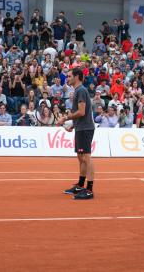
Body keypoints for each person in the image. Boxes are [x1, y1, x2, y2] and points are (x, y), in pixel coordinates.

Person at [57, 68, 95, 200]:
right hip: (80, 128)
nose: (67, 78)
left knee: (86, 157)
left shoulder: (81, 90)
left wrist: (65, 119)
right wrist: (72, 126)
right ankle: (80, 185)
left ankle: (89, 190)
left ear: (77, 77)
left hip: (86, 128)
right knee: (80, 157)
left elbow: (82, 112)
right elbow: (80, 115)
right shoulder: (77, 91)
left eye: (69, 76)